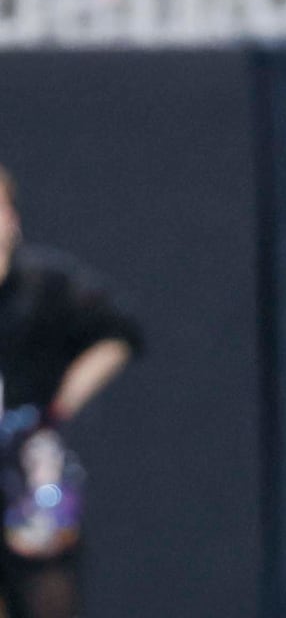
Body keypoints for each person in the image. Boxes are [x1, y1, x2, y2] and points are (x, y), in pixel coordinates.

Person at [0, 164, 142, 618]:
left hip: (29, 465)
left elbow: (119, 334)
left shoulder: (47, 282)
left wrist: (60, 404)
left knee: (49, 590)